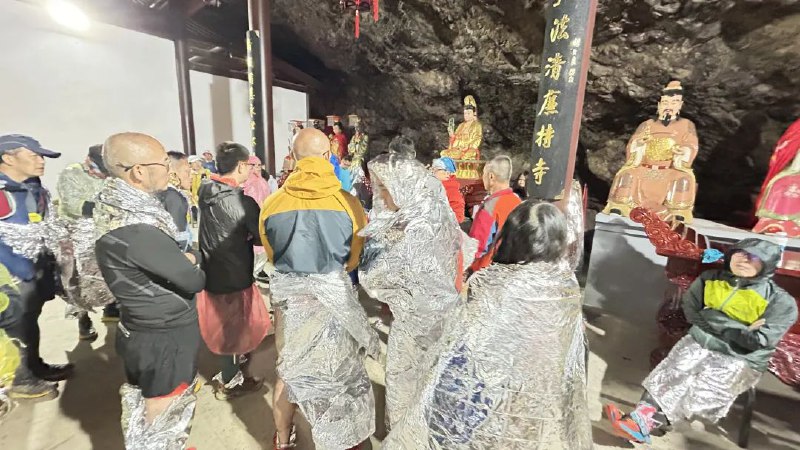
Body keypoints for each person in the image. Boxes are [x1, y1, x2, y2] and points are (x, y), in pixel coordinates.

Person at [383, 197, 591, 449]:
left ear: (511, 237)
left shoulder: (492, 283)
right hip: (535, 403)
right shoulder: (566, 288)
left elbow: (461, 347)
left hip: (486, 401)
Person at [605, 238, 799, 444]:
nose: (744, 261)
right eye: (740, 254)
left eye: (753, 258)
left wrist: (714, 318)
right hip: (700, 340)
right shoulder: (710, 279)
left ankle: (648, 423)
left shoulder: (780, 302)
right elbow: (691, 311)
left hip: (739, 356)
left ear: (766, 265)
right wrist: (736, 327)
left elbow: (758, 341)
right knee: (670, 372)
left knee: (699, 388)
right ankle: (640, 420)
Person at [260, 128, 378, 450]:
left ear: (293, 158)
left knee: (289, 372)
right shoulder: (349, 203)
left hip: (291, 305)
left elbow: (271, 253)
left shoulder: (272, 203)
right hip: (334, 303)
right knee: (338, 373)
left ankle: (283, 438)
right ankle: (341, 440)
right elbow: (354, 257)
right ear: (329, 156)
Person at [93, 133, 205, 448]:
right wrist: (193, 259)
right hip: (163, 336)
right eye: (164, 163)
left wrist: (181, 260)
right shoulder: (138, 230)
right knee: (164, 406)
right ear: (139, 171)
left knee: (150, 402)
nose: (170, 170)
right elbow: (193, 280)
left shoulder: (117, 209)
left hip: (141, 324)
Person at [359, 147, 468, 429]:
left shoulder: (416, 227)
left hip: (419, 324)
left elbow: (377, 277)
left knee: (408, 388)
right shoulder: (427, 212)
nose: (382, 197)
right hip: (430, 320)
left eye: (385, 189)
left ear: (402, 187)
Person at [198, 142, 270, 399]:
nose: (250, 170)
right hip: (234, 271)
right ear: (241, 166)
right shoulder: (244, 202)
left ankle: (234, 364)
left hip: (211, 268)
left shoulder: (206, 190)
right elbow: (261, 236)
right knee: (232, 327)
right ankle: (230, 381)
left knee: (225, 323)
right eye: (249, 165)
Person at [0, 134, 68, 400]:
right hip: (9, 275)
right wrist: (17, 267)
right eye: (34, 155)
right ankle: (19, 380)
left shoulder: (32, 188)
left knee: (29, 321)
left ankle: (34, 367)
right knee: (13, 326)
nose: (41, 161)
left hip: (33, 269)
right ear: (8, 158)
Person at [603, 80, 699, 222]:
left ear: (680, 105)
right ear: (659, 105)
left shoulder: (686, 125)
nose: (669, 107)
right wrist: (639, 144)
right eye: (665, 103)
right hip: (645, 167)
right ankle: (621, 206)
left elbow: (691, 144)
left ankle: (677, 211)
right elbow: (634, 142)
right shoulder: (647, 124)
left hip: (669, 168)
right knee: (627, 174)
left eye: (674, 103)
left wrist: (683, 150)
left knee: (683, 179)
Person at [56, 144, 117, 341]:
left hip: (102, 231)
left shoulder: (111, 176)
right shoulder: (72, 173)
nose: (102, 175)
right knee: (76, 278)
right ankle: (83, 320)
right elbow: (72, 204)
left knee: (109, 271)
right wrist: (102, 207)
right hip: (75, 233)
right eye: (99, 170)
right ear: (89, 161)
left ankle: (111, 307)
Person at [468, 155, 521, 273]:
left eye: (483, 173)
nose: (482, 177)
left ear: (491, 176)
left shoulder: (491, 206)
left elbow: (478, 246)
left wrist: (468, 269)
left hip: (487, 271)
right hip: (512, 269)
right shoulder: (518, 202)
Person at [157, 151, 193, 251]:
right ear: (171, 172)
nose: (191, 177)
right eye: (187, 172)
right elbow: (179, 235)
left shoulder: (161, 193)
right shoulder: (173, 197)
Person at [431, 157, 465, 224]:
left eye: (437, 169)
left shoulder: (451, 190)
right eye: (433, 169)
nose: (432, 171)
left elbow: (458, 217)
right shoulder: (435, 186)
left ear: (447, 173)